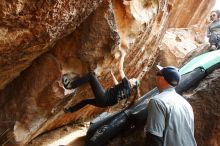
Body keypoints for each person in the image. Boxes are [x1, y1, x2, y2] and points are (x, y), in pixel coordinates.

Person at [62, 47, 140, 113]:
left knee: (91, 76)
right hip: (103, 104)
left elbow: (120, 69)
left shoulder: (127, 84)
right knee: (86, 101)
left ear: (133, 84)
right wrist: (112, 75)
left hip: (104, 97)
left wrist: (123, 55)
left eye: (134, 79)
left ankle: (70, 85)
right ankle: (70, 110)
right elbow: (117, 85)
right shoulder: (128, 92)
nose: (132, 78)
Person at [145, 65, 197, 146]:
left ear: (162, 79)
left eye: (158, 74)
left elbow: (154, 138)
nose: (156, 77)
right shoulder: (186, 104)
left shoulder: (157, 101)